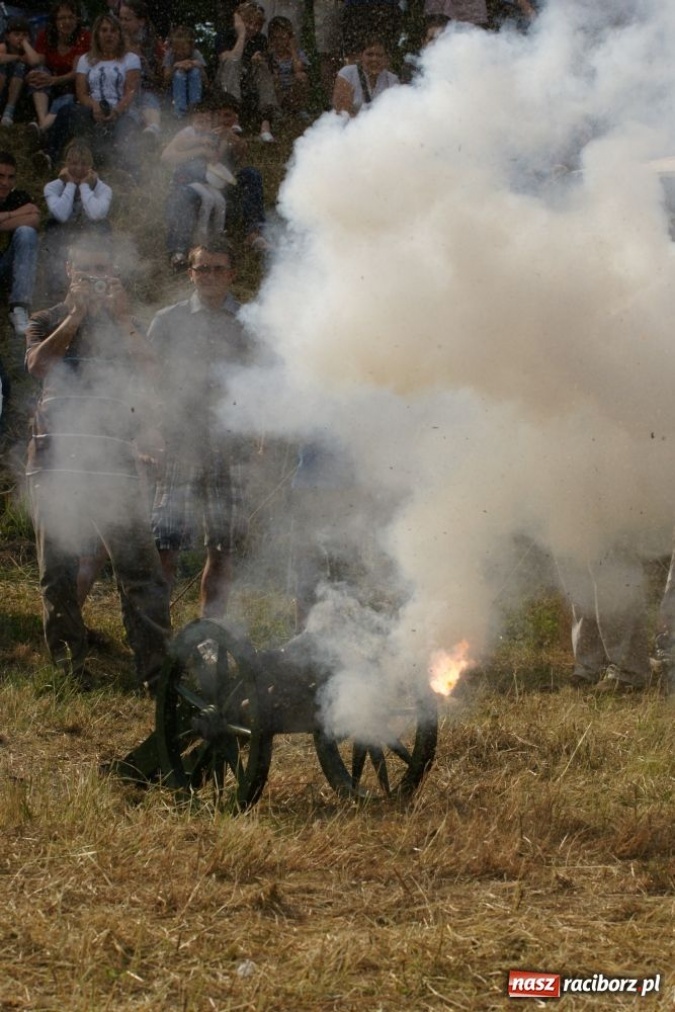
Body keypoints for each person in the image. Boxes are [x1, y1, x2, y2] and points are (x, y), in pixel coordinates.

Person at [24, 234, 171, 691]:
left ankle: (156, 675)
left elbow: (153, 371)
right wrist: (74, 315)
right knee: (58, 573)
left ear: (115, 274)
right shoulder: (46, 318)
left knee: (141, 572)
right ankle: (70, 673)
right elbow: (38, 365)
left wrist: (123, 319)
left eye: (102, 271)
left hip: (114, 463)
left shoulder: (126, 324)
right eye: (85, 271)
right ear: (69, 272)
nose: (94, 279)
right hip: (56, 463)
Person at [149, 237, 262, 617]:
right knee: (166, 540)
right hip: (179, 441)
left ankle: (210, 634)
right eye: (202, 268)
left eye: (218, 269)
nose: (210, 276)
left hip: (230, 448)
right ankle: (158, 638)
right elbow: (149, 382)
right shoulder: (168, 321)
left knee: (222, 545)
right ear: (190, 273)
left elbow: (264, 384)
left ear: (231, 274)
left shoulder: (250, 323)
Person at [162, 94, 268, 270]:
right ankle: (178, 250)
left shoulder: (226, 134)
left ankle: (254, 233)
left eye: (231, 115)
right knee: (184, 193)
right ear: (213, 115)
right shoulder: (193, 133)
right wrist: (200, 150)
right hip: (191, 193)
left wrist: (231, 138)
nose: (226, 119)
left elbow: (241, 154)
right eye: (222, 115)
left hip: (221, 194)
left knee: (250, 174)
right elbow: (166, 157)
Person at [42, 139, 112, 298]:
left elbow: (96, 214)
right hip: (62, 234)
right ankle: (56, 295)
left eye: (83, 164)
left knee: (103, 226)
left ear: (91, 166)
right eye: (73, 163)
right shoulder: (52, 187)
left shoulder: (104, 189)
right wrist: (70, 185)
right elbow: (61, 214)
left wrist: (85, 186)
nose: (78, 168)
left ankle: (101, 287)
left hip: (91, 236)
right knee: (53, 228)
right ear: (66, 164)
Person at [73, 13, 141, 172]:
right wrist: (94, 106)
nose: (109, 34)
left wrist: (116, 111)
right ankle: (55, 158)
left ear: (119, 34)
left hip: (122, 109)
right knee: (69, 112)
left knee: (122, 130)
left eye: (113, 30)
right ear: (97, 34)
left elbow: (131, 91)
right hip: (93, 108)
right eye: (104, 30)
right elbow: (81, 93)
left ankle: (125, 170)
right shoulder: (85, 59)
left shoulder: (130, 59)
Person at [24, 1, 91, 135]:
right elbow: (39, 63)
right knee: (38, 72)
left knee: (67, 97)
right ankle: (43, 119)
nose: (67, 22)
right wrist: (30, 76)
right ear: (54, 20)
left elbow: (76, 72)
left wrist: (53, 80)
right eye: (62, 18)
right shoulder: (45, 35)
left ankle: (41, 128)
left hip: (72, 85)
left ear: (77, 19)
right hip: (50, 82)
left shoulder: (84, 37)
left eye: (71, 17)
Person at [215, 3, 279, 142]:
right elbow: (229, 59)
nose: (253, 28)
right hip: (226, 80)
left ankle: (265, 124)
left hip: (249, 81)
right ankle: (234, 117)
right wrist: (242, 35)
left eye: (257, 25)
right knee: (233, 62)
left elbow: (270, 72)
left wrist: (259, 60)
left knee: (261, 67)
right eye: (249, 22)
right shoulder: (225, 35)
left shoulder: (261, 40)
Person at [0, 150, 39, 342]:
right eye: (0, 176)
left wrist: (4, 218)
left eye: (10, 177)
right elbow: (28, 213)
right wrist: (17, 215)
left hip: (7, 265)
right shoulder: (19, 203)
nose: (5, 182)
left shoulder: (19, 196)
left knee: (27, 233)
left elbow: (34, 218)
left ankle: (19, 306)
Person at [118, 0, 164, 141]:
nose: (122, 23)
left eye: (127, 19)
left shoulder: (152, 43)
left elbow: (160, 78)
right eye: (120, 19)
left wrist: (145, 63)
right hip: (120, 89)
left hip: (145, 89)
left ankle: (153, 130)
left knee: (148, 100)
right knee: (131, 108)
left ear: (141, 21)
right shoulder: (114, 40)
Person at [332, 37, 398, 117]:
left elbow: (394, 114)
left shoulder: (392, 80)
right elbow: (342, 113)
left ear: (385, 58)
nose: (374, 59)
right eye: (370, 54)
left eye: (379, 55)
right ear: (361, 56)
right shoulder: (347, 74)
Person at [266, 15, 309, 118]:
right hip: (277, 93)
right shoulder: (270, 55)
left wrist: (293, 50)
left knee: (301, 76)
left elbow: (299, 69)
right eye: (275, 38)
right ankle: (277, 109)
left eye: (282, 38)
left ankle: (298, 108)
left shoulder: (297, 54)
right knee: (273, 79)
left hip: (292, 92)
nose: (278, 42)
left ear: (289, 38)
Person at [163, 25, 208, 119]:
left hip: (194, 90)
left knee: (194, 72)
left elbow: (206, 81)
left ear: (191, 47)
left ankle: (194, 109)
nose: (179, 52)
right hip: (173, 93)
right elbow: (165, 80)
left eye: (183, 49)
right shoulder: (170, 55)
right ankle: (180, 113)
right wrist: (175, 67)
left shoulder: (195, 54)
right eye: (176, 49)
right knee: (179, 75)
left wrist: (198, 66)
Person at [0, 17, 33, 126]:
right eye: (17, 34)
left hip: (20, 89)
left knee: (20, 67)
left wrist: (26, 45)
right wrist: (17, 57)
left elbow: (35, 60)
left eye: (24, 35)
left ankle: (9, 111)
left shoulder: (28, 50)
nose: (21, 38)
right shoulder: (4, 47)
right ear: (7, 37)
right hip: (4, 85)